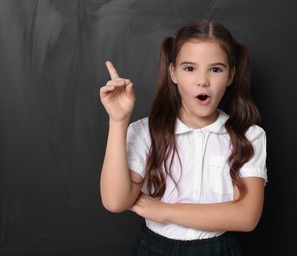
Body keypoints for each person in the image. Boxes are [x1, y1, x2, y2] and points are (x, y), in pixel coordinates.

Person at [99, 19, 267, 255]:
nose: (202, 81)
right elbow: (115, 201)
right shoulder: (145, 132)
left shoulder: (249, 135)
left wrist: (163, 210)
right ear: (173, 72)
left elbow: (247, 217)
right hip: (154, 248)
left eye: (216, 69)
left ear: (231, 76)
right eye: (190, 68)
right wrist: (118, 122)